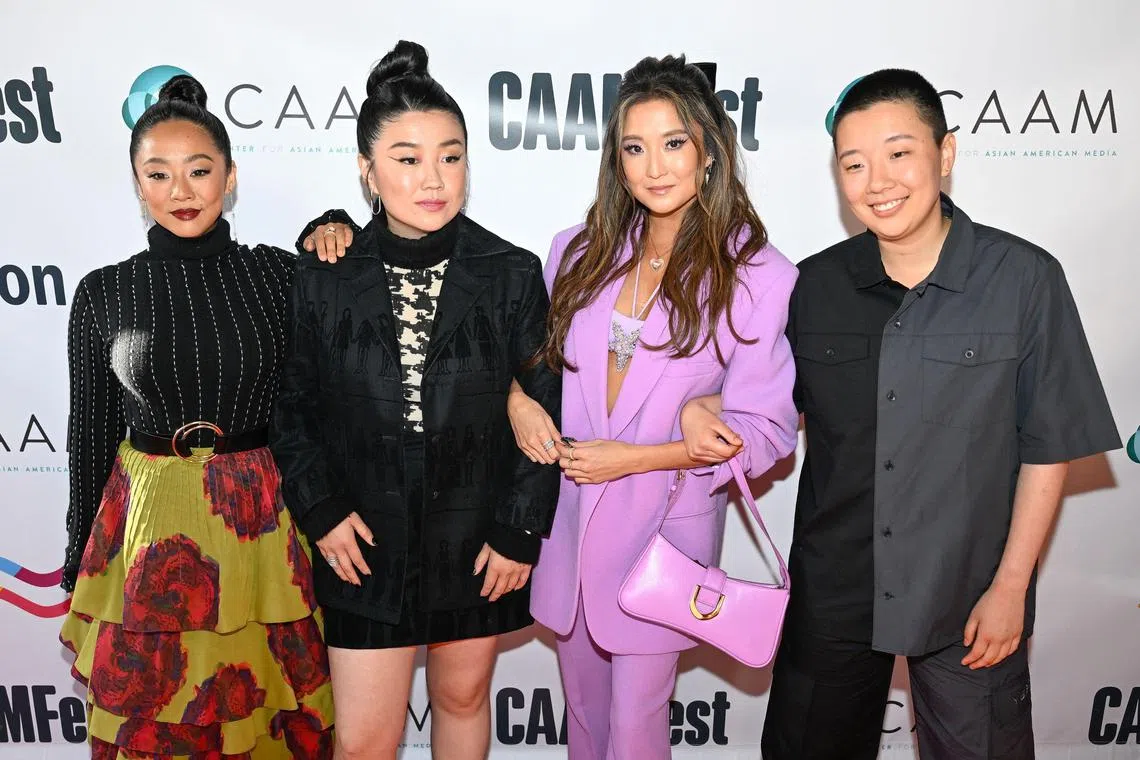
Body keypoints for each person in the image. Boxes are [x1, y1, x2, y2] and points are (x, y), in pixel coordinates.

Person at [685, 68, 1121, 760]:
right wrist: (700, 406)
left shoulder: (1024, 280)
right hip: (835, 594)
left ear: (944, 154)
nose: (876, 181)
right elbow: (768, 402)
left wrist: (1010, 588)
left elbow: (1049, 447)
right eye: (853, 164)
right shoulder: (817, 286)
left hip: (967, 595)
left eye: (898, 154)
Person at [270, 41, 561, 760]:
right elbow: (292, 410)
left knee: (463, 700)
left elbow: (548, 407)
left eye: (450, 155)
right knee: (366, 739)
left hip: (478, 536)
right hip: (361, 546)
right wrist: (322, 511)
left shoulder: (512, 274)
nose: (432, 178)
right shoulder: (322, 275)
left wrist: (520, 531)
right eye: (405, 158)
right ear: (367, 171)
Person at [504, 55, 799, 759]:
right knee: (583, 722)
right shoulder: (574, 253)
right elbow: (534, 366)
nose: (654, 166)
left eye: (673, 143)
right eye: (635, 147)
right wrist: (516, 398)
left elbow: (767, 433)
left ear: (708, 152)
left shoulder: (757, 273)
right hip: (569, 534)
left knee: (636, 733)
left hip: (663, 541)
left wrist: (647, 451)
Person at [59, 76, 334, 758]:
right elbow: (91, 435)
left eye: (199, 171)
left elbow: (343, 378)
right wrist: (77, 553)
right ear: (138, 184)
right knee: (158, 725)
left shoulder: (281, 275)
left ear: (230, 177)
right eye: (158, 174)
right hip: (148, 532)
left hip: (263, 530)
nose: (180, 191)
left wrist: (337, 229)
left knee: (264, 718)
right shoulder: (103, 292)